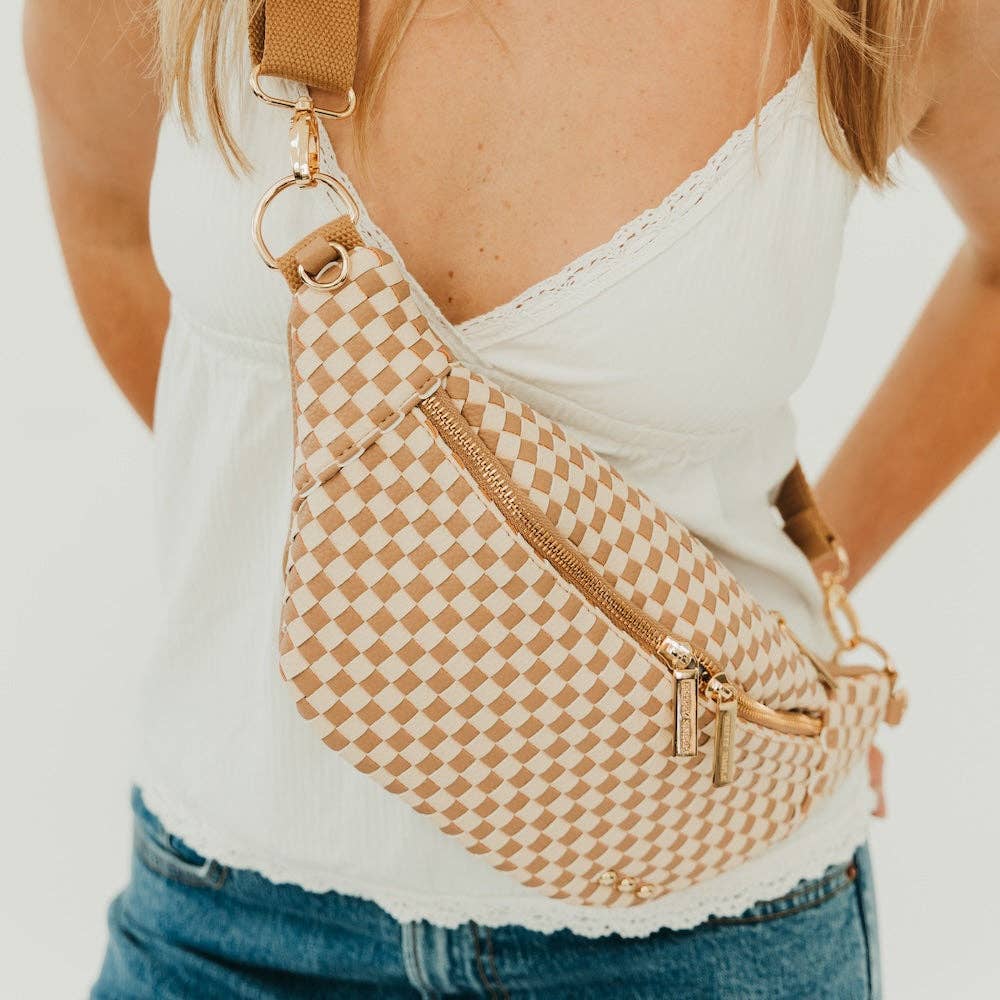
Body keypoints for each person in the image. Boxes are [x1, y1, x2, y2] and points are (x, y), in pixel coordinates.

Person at [25, 1, 1000, 997]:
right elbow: (105, 225)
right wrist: (363, 522)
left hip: (703, 929)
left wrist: (786, 633)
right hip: (221, 910)